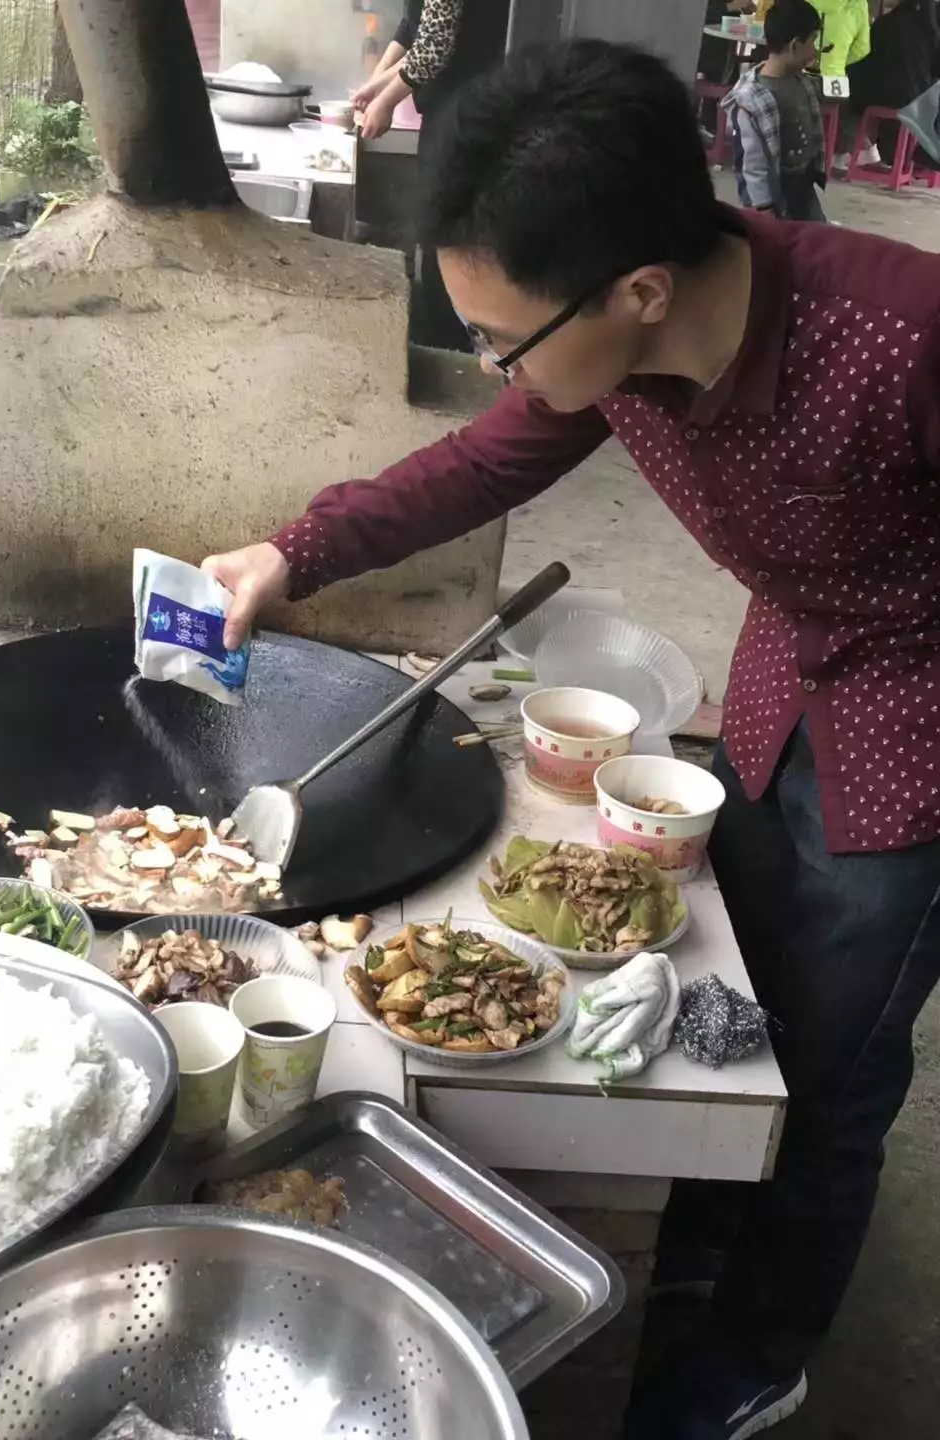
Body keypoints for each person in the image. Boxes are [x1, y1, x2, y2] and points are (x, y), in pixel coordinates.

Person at [203, 39, 940, 1436]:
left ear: (640, 290)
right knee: (747, 1007)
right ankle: (708, 1249)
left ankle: (761, 1350)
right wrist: (293, 553)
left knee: (838, 1072)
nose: (495, 368)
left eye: (502, 341)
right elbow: (480, 461)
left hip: (917, 736)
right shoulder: (606, 358)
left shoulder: (902, 334)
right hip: (781, 682)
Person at [350, 0, 509, 351]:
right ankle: (442, 336)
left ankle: (450, 348)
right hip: (451, 104)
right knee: (437, 227)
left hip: (469, 107)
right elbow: (414, 27)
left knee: (447, 230)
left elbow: (433, 46)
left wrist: (386, 101)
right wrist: (377, 83)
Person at [723, 0, 828, 219]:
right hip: (771, 191)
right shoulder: (751, 99)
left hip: (801, 183)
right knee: (776, 237)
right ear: (795, 45)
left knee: (813, 234)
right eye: (813, 41)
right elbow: (753, 163)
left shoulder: (801, 83)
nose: (815, 50)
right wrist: (763, 207)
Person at [834, 0, 940, 168]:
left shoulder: (885, 23)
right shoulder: (932, 30)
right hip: (921, 99)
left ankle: (852, 148)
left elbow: (862, 59)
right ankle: (882, 153)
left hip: (892, 96)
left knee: (847, 96)